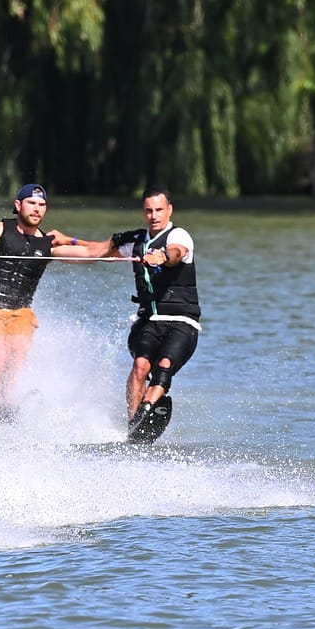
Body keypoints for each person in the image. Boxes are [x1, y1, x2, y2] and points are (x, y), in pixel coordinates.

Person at [0, 182, 101, 421]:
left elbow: (94, 254)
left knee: (17, 360)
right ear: (18, 205)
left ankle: (9, 411)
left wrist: (70, 240)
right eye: (31, 203)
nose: (37, 209)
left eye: (41, 205)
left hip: (21, 313)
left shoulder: (49, 245)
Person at [105, 188, 200, 440]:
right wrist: (64, 244)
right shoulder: (137, 242)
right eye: (149, 210)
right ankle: (133, 424)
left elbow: (176, 253)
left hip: (182, 322)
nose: (154, 215)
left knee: (164, 364)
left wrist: (162, 256)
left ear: (169, 210)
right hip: (149, 321)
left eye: (159, 210)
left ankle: (145, 410)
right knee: (140, 365)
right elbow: (96, 251)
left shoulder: (179, 235)